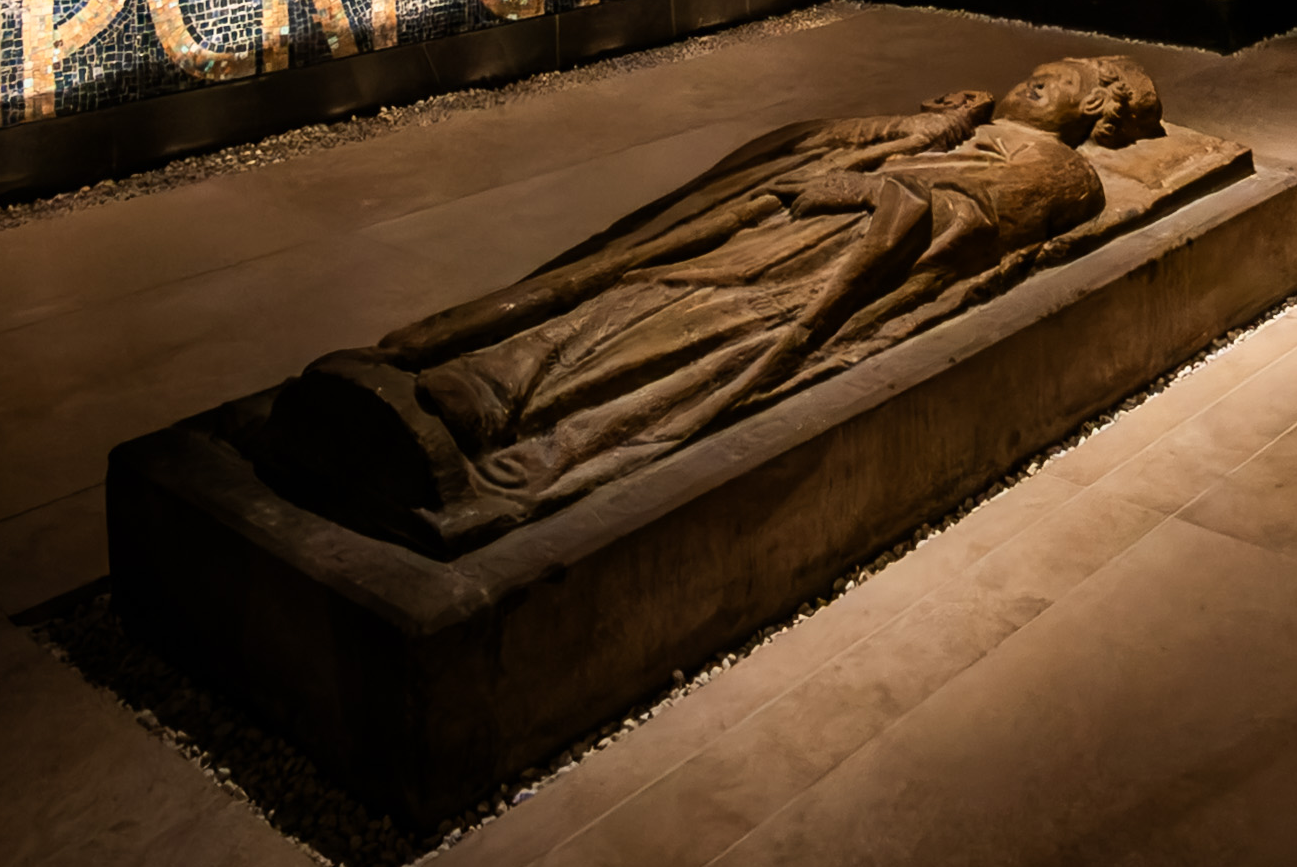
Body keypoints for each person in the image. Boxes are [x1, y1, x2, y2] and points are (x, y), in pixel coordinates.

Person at [257, 56, 1209, 547]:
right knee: (630, 281)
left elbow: (954, 220)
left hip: (816, 265)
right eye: (1029, 76)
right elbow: (823, 143)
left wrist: (864, 185)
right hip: (791, 225)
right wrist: (914, 128)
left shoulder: (1059, 170)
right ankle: (466, 382)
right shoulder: (975, 126)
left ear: (1093, 116)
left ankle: (491, 419)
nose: (1022, 85)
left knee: (672, 319)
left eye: (1047, 86)